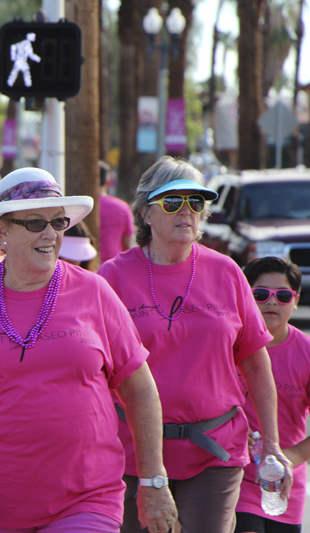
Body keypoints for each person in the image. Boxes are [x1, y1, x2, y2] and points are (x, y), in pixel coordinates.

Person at [0, 167, 177, 532]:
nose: (50, 234)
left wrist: (153, 480)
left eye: (58, 222)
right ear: (2, 232)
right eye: (35, 223)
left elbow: (140, 390)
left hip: (85, 501)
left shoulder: (94, 292)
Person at [97, 156, 290, 533]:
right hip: (132, 453)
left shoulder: (226, 271)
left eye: (195, 202)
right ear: (146, 213)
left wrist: (271, 444)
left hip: (213, 452)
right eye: (173, 202)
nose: (186, 211)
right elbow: (94, 371)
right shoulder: (113, 277)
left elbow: (255, 362)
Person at [235, 258, 309, 533]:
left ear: (295, 300)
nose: (272, 302)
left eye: (283, 295)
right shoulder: (226, 344)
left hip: (282, 486)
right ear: (245, 296)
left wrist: (291, 456)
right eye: (261, 294)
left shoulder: (306, 352)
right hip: (232, 480)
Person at [99, 161, 134, 263]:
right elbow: (127, 245)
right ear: (108, 181)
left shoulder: (82, 207)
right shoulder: (122, 207)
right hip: (114, 265)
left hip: (85, 266)